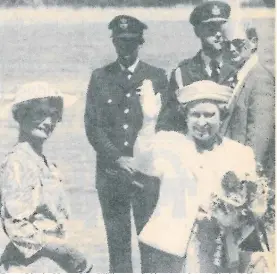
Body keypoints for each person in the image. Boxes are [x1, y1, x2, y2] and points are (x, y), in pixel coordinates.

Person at [131, 80, 270, 272]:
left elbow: (253, 206)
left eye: (209, 115)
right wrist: (148, 121)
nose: (202, 122)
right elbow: (142, 162)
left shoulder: (239, 153)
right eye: (195, 115)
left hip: (222, 251)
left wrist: (232, 219)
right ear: (185, 117)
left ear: (221, 116)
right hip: (173, 249)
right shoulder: (170, 144)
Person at [84, 15, 168, 272]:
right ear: (114, 43)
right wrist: (118, 158)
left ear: (140, 43)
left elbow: (166, 125)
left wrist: (143, 161)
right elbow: (93, 126)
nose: (125, 48)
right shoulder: (100, 77)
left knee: (151, 244)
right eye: (120, 43)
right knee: (117, 248)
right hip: (112, 173)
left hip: (147, 175)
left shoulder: (156, 76)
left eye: (131, 43)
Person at [0, 82, 93, 272]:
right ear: (21, 115)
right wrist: (66, 252)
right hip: (28, 265)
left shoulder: (45, 163)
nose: (49, 122)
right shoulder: (18, 162)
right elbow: (16, 225)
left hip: (50, 262)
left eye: (54, 115)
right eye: (40, 114)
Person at [157, 1, 237, 132]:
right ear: (197, 31)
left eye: (221, 27)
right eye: (211, 28)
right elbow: (167, 122)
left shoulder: (237, 70)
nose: (218, 33)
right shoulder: (182, 73)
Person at [221, 23, 275, 188]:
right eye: (226, 44)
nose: (231, 48)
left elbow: (260, 135)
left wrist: (247, 178)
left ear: (253, 42)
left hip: (245, 174)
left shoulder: (260, 79)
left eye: (237, 42)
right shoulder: (237, 74)